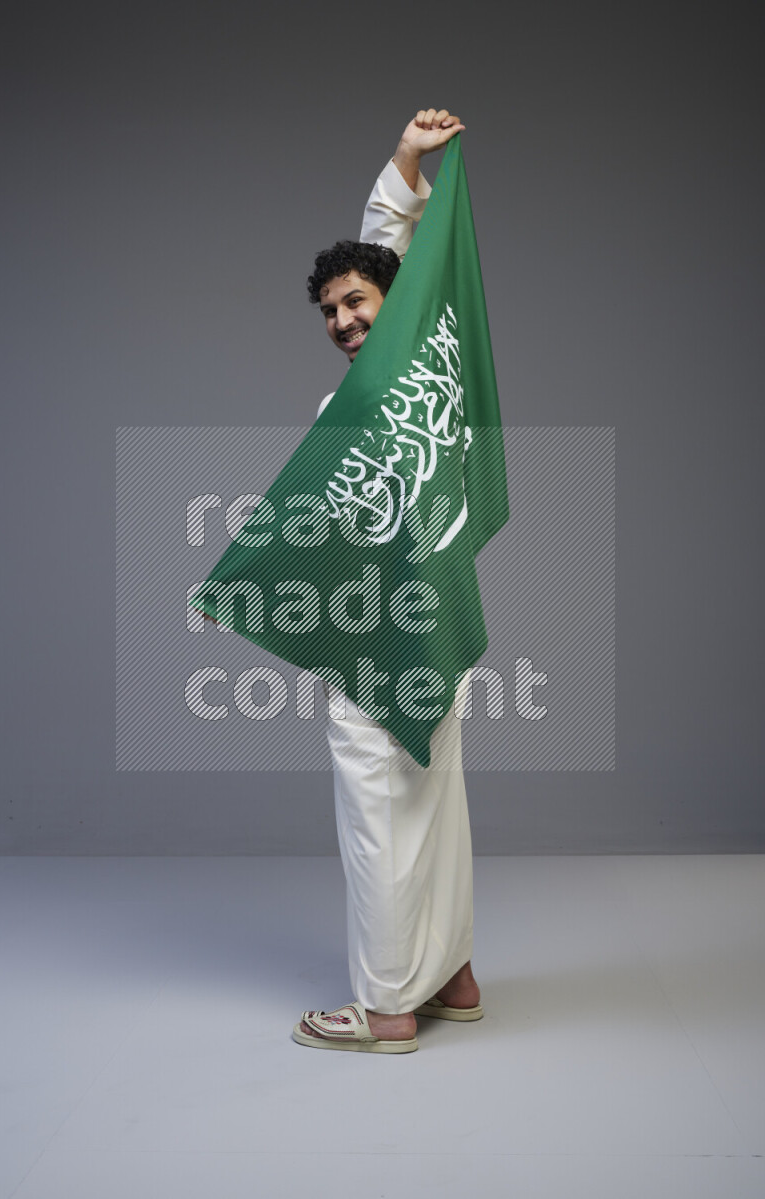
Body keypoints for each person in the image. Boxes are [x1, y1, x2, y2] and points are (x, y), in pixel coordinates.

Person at [292, 109, 484, 1053]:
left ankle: (385, 1005)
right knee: (434, 798)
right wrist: (406, 165)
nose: (342, 321)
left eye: (356, 302)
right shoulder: (430, 372)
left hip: (376, 627)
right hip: (435, 618)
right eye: (329, 311)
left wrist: (407, 164)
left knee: (377, 808)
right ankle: (451, 973)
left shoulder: (384, 382)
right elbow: (390, 264)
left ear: (393, 302)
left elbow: (391, 255)